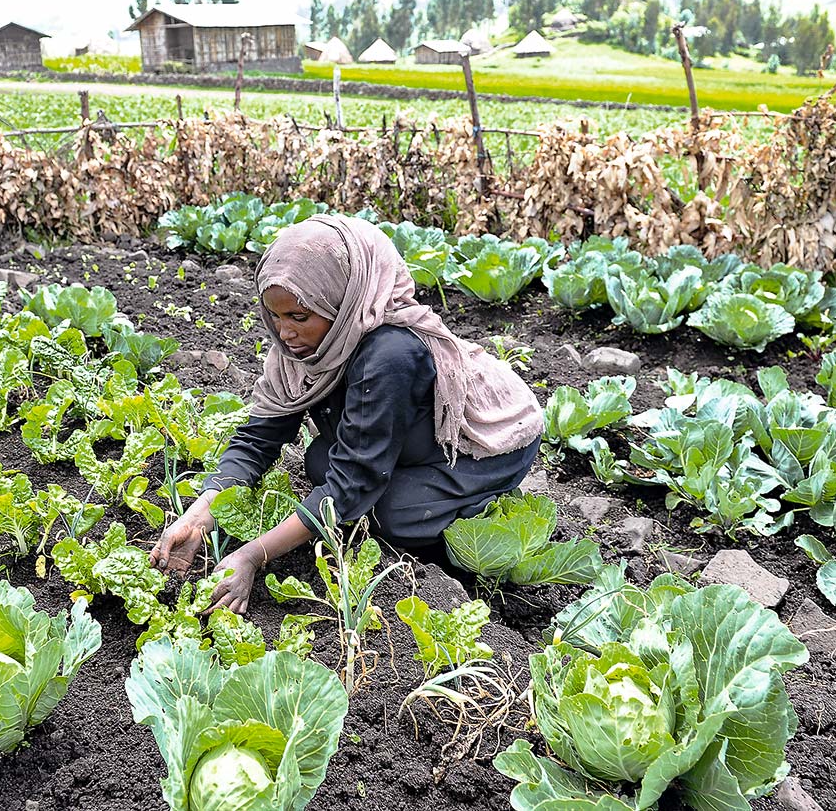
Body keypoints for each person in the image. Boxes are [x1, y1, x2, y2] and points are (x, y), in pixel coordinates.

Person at [149, 214, 543, 614]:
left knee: (394, 516)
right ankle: (409, 478)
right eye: (275, 316)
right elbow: (259, 438)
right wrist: (201, 513)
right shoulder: (305, 349)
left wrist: (253, 555)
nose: (284, 333)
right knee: (321, 461)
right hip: (402, 432)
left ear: (342, 300)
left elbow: (353, 482)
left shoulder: (391, 353)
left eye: (299, 317)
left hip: (484, 443)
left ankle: (481, 502)